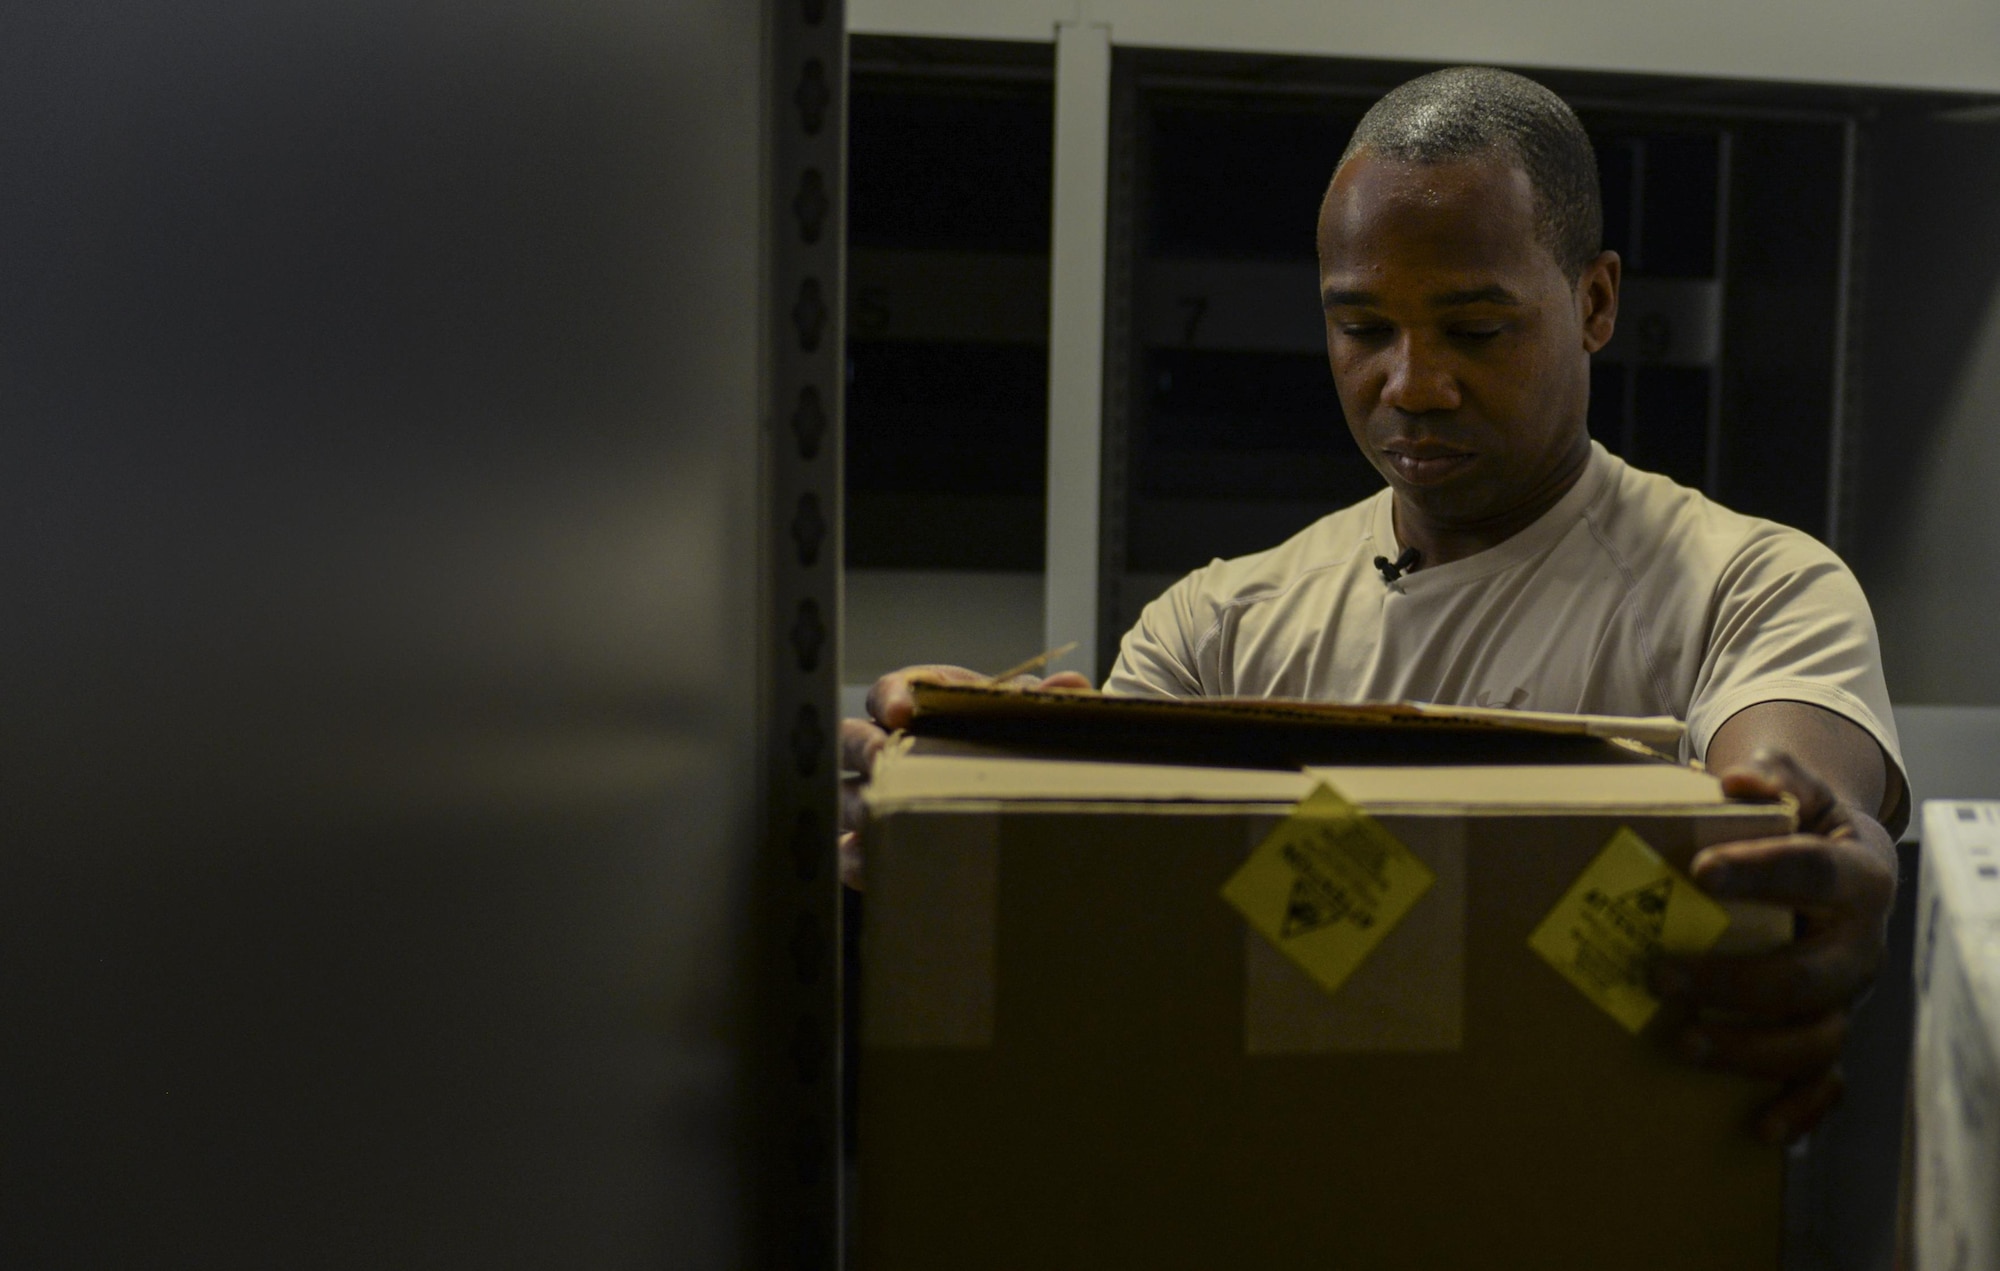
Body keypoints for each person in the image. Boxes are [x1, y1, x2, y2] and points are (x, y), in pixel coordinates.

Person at [840, 66, 1906, 1147]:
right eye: (1360, 328)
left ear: (1593, 302)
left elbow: (1794, 796)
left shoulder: (1749, 582)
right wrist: (948, 803)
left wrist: (1825, 857)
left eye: (1474, 330)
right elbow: (1095, 903)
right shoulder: (1215, 628)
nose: (1410, 384)